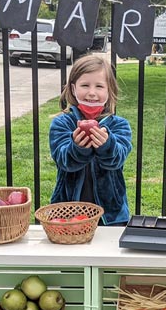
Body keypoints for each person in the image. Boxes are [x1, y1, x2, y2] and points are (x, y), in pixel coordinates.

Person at [49, 55, 132, 226]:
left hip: (111, 214)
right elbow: (64, 161)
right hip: (69, 209)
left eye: (99, 86)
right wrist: (78, 148)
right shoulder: (62, 123)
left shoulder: (119, 126)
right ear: (73, 88)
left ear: (109, 91)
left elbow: (117, 160)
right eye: (85, 85)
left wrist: (107, 145)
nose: (92, 93)